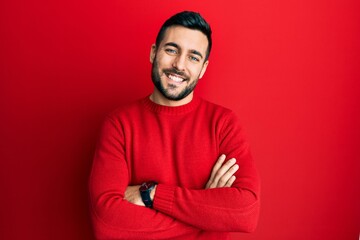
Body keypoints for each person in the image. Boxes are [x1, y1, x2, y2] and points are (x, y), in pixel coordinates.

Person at [89, 11, 260, 240]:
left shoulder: (223, 123)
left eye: (193, 57)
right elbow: (107, 224)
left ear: (203, 69)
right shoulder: (119, 124)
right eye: (171, 50)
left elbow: (246, 213)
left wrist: (152, 194)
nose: (179, 65)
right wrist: (208, 215)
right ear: (153, 52)